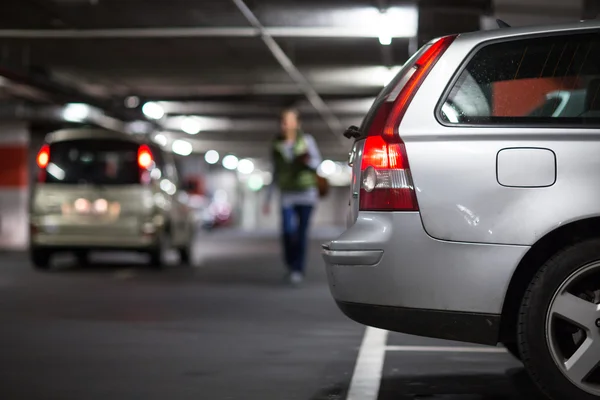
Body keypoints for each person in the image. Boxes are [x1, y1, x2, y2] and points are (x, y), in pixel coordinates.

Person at [264, 107, 322, 285]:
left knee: (302, 233)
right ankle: (290, 264)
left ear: (297, 123)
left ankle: (298, 269)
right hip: (287, 194)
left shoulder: (306, 141)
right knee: (288, 232)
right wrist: (267, 198)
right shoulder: (276, 145)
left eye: (290, 120)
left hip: (306, 194)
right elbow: (275, 171)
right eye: (284, 121)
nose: (286, 124)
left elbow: (317, 163)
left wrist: (306, 162)